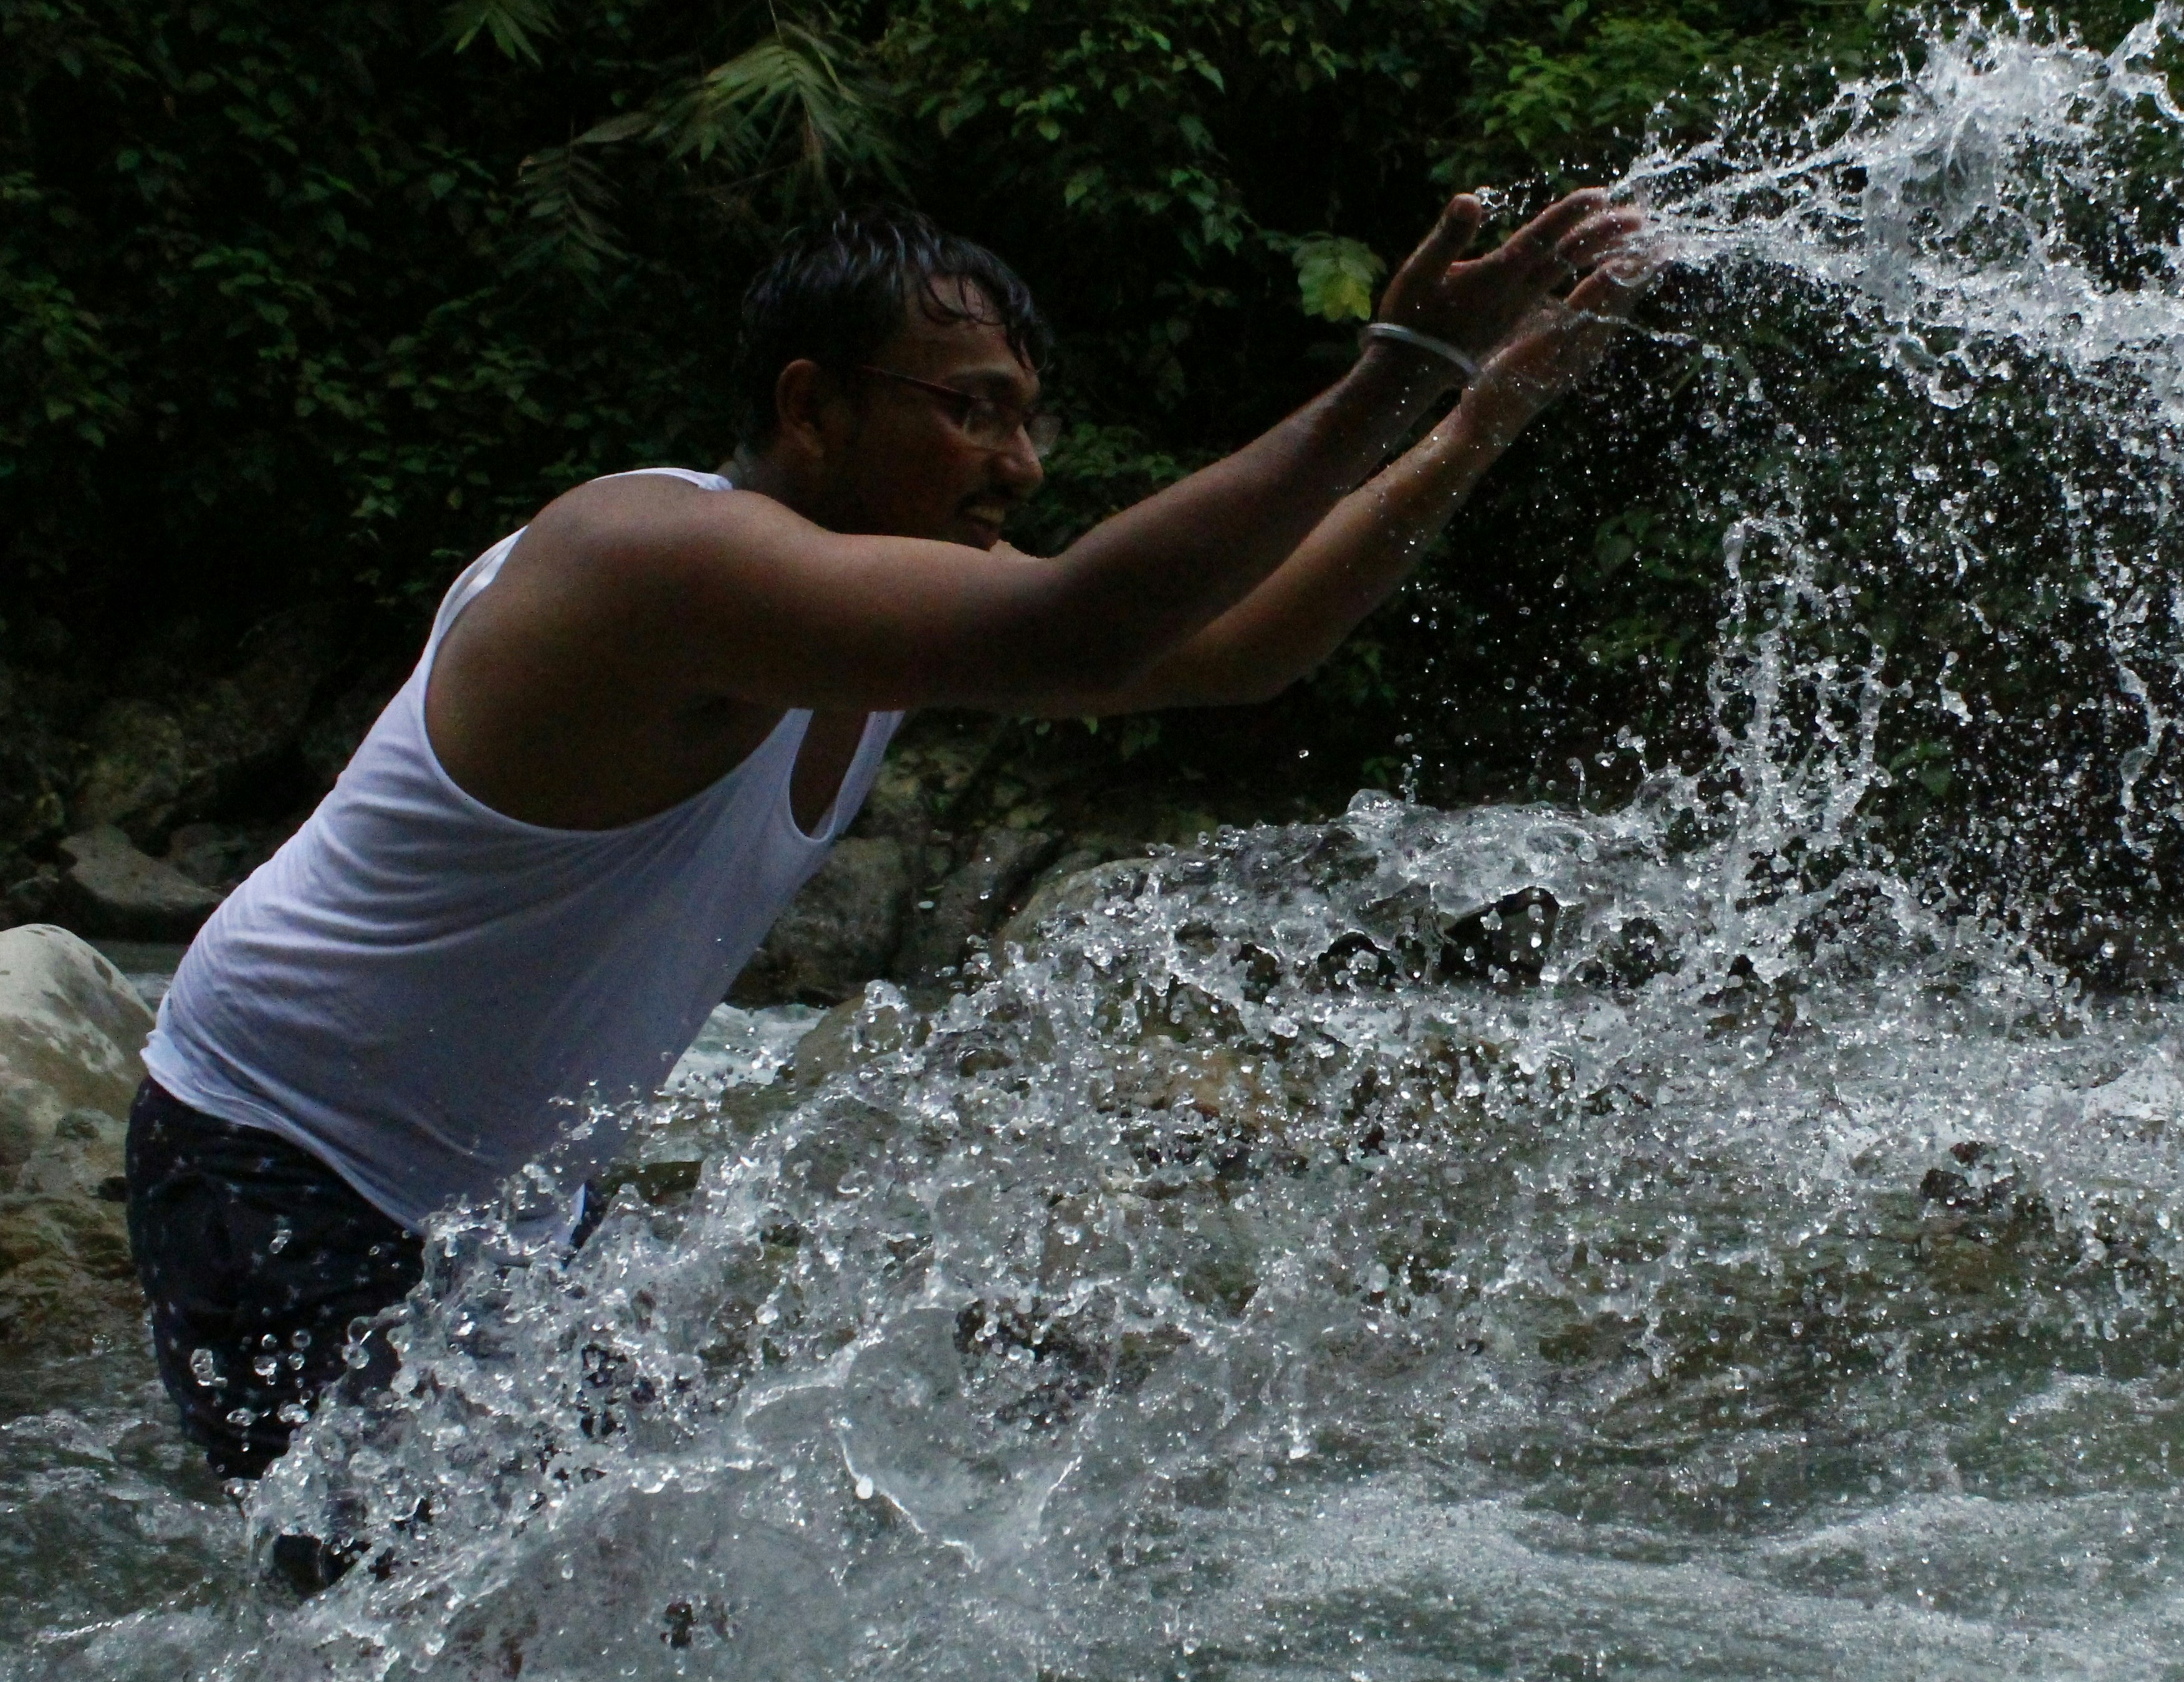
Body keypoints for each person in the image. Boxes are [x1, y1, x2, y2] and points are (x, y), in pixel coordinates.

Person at [122, 191, 1650, 1496]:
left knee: (628, 1623)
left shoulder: (882, 605)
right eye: (969, 407)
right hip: (288, 1157)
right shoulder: (647, 561)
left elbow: (1238, 650)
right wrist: (1399, 365)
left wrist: (1483, 413)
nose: (1021, 463)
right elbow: (1088, 625)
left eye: (1028, 414)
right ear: (810, 408)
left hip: (512, 1211)